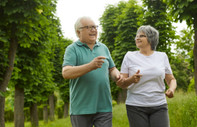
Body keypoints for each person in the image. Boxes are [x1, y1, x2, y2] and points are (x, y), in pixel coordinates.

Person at [62, 16, 122, 127]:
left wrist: (118, 76)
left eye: (95, 27)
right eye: (89, 27)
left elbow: (112, 69)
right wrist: (90, 66)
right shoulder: (72, 49)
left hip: (104, 107)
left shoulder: (103, 48)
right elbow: (66, 73)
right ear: (78, 32)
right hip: (81, 109)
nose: (93, 30)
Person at [116, 25, 177, 127]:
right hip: (136, 106)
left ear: (151, 38)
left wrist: (172, 89)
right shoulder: (129, 56)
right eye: (136, 36)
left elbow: (171, 79)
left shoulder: (162, 56)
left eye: (142, 36)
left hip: (159, 104)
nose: (137, 38)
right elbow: (121, 84)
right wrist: (131, 80)